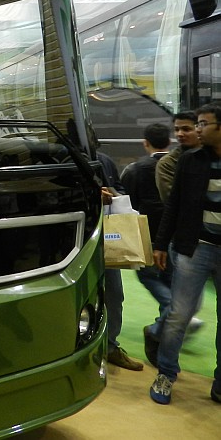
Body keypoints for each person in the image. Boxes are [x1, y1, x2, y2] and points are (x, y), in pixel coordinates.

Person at [149, 103, 221, 405]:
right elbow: (174, 205)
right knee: (179, 315)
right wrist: (160, 244)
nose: (198, 129)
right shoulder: (190, 160)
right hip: (195, 249)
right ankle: (166, 373)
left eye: (203, 124)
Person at [120, 123, 171, 366]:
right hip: (173, 238)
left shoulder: (135, 169)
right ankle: (164, 332)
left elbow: (127, 203)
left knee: (151, 279)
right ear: (169, 142)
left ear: (145, 143)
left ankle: (165, 319)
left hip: (145, 236)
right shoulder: (179, 166)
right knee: (170, 283)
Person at [99, 148, 144, 371]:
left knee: (114, 295)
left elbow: (120, 188)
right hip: (74, 242)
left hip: (109, 239)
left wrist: (113, 194)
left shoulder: (105, 160)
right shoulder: (61, 158)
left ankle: (110, 347)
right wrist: (92, 195)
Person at [156, 111, 199, 204]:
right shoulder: (168, 163)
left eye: (186, 129)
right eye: (176, 129)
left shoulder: (213, 156)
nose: (180, 134)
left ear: (200, 129)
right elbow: (172, 199)